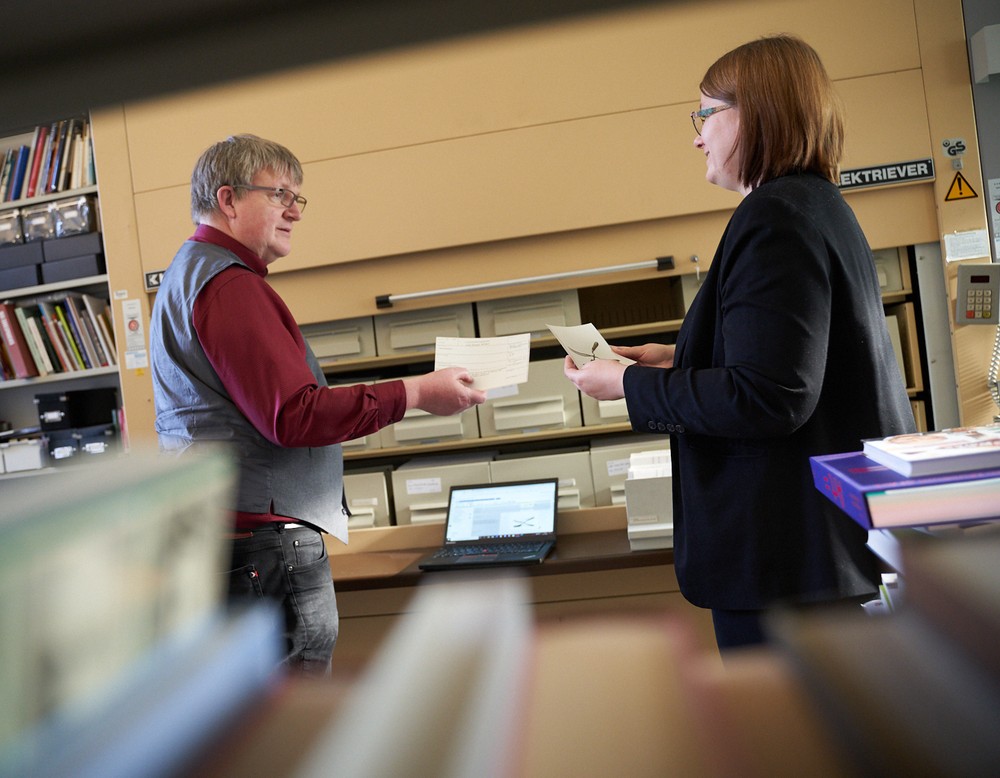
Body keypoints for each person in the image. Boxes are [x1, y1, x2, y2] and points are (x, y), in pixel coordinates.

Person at [564, 36, 915, 652]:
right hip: (824, 556)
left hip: (789, 566)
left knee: (791, 747)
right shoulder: (818, 206)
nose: (696, 136)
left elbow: (770, 396)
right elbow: (799, 362)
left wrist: (626, 385)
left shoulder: (774, 218)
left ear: (755, 112)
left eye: (706, 115)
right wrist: (676, 359)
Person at [149, 134, 485, 675]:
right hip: (266, 549)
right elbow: (295, 415)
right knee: (292, 729)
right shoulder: (229, 286)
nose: (294, 212)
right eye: (279, 194)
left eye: (297, 198)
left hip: (233, 541)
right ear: (229, 199)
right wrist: (417, 392)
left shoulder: (189, 273)